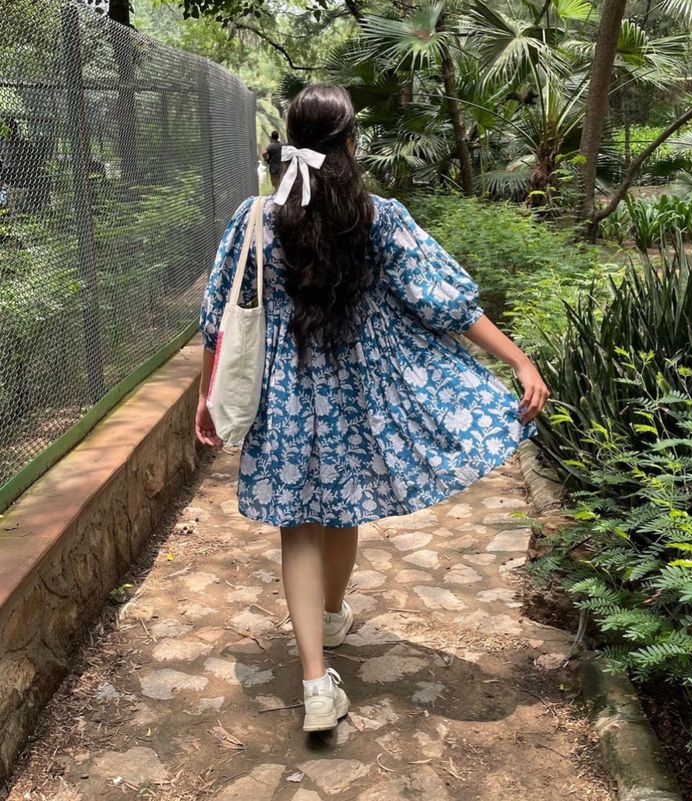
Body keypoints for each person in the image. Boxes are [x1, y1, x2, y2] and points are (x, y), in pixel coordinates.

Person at [196, 84, 548, 733]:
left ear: (291, 139)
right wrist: (517, 359)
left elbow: (222, 314)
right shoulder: (375, 216)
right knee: (341, 505)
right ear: (349, 142)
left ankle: (313, 683)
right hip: (352, 393)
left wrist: (205, 395)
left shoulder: (255, 217)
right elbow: (446, 301)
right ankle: (332, 613)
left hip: (282, 396)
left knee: (296, 526)